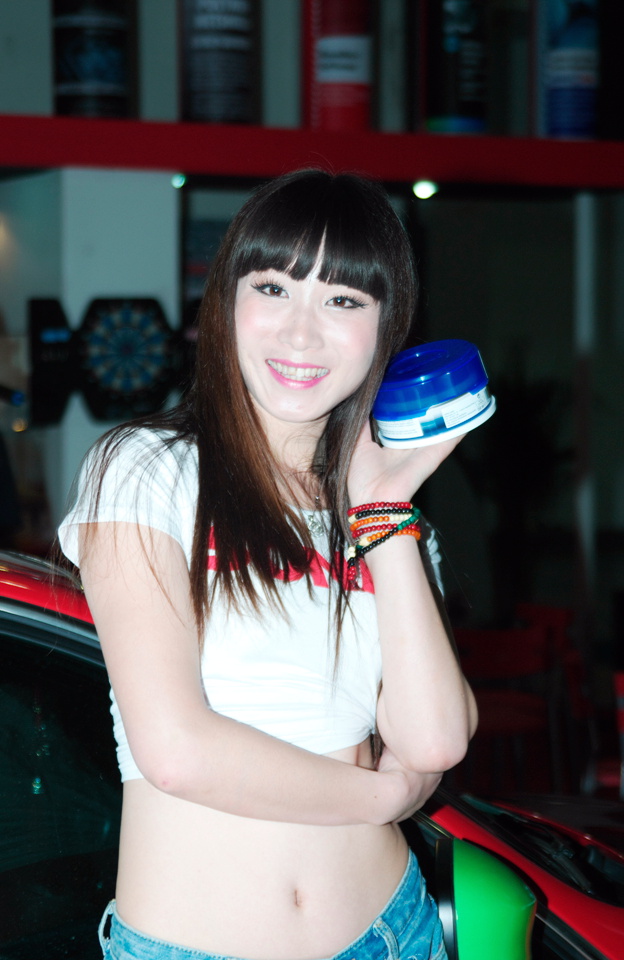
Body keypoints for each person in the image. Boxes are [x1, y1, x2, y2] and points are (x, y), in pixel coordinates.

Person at [58, 169, 478, 960]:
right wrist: (380, 797)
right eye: (274, 288)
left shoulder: (385, 516)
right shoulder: (147, 469)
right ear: (227, 301)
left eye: (343, 301)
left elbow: (433, 742)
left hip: (394, 933)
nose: (301, 333)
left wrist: (383, 513)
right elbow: (177, 752)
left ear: (386, 327)